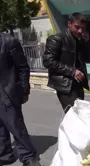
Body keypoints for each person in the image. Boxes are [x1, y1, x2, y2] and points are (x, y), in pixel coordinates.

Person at [0, 33, 41, 166]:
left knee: (16, 125)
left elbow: (23, 67)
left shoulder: (9, 41)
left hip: (7, 91)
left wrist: (25, 90)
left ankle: (28, 156)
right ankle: (4, 155)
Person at [43, 12, 90, 113]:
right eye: (77, 27)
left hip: (78, 84)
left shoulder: (80, 41)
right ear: (69, 24)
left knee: (80, 114)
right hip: (65, 85)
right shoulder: (57, 39)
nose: (80, 31)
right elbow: (47, 61)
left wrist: (87, 43)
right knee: (73, 115)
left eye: (82, 28)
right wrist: (72, 71)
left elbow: (88, 59)